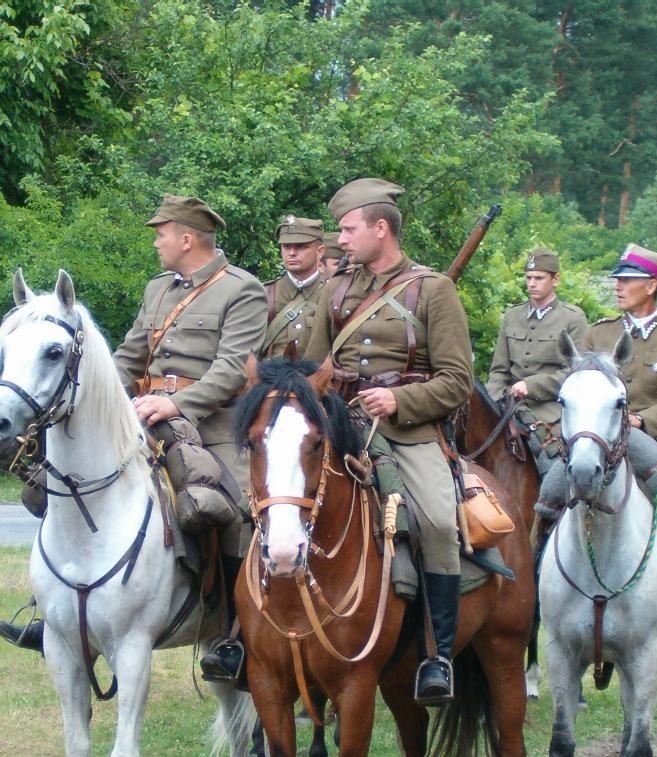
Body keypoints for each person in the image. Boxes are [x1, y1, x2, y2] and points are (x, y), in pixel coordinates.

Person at [0, 195, 268, 679]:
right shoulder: (158, 289)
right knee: (54, 485)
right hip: (143, 412)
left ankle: (234, 633)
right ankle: (55, 614)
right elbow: (127, 356)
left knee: (234, 507)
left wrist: (177, 404)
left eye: (161, 234)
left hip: (212, 424)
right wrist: (106, 395)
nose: (156, 243)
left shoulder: (242, 289)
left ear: (186, 238)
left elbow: (232, 368)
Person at [304, 177, 474, 705]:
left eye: (348, 229)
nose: (340, 239)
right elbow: (312, 368)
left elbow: (458, 380)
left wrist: (400, 400)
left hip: (407, 432)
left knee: (439, 523)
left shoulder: (434, 290)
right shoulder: (336, 289)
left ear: (381, 228)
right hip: (340, 426)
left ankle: (437, 656)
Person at [538, 243, 657, 655]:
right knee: (547, 494)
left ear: (652, 286)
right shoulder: (599, 334)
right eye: (618, 280)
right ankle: (534, 588)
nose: (618, 286)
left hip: (656, 440)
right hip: (598, 440)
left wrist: (641, 421)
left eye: (627, 280)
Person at [486, 246, 588, 476]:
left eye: (539, 278)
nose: (532, 283)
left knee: (552, 467)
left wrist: (531, 386)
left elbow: (575, 373)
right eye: (528, 277)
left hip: (550, 412)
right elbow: (499, 370)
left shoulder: (573, 318)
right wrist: (492, 403)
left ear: (556, 279)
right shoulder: (512, 315)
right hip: (508, 406)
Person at [257, 216, 326, 360]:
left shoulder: (333, 294)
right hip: (270, 373)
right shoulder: (264, 294)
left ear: (319, 251)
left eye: (301, 246)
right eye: (286, 246)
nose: (292, 253)